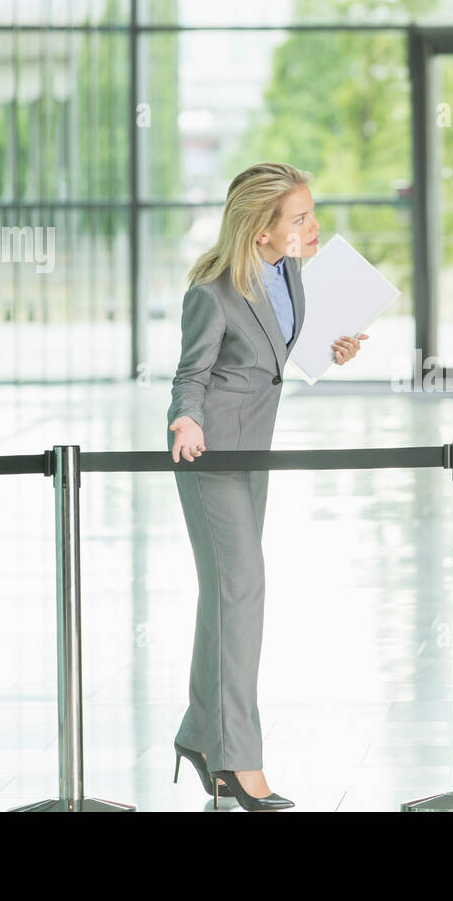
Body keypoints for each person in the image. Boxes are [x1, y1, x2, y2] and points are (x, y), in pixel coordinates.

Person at [166, 162, 366, 811]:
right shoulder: (213, 292)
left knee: (226, 594)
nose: (313, 227)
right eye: (300, 218)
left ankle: (201, 734)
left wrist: (331, 354)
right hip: (210, 457)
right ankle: (237, 762)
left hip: (255, 458)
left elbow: (277, 356)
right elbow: (190, 374)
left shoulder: (291, 276)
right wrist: (185, 417)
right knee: (243, 589)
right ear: (261, 231)